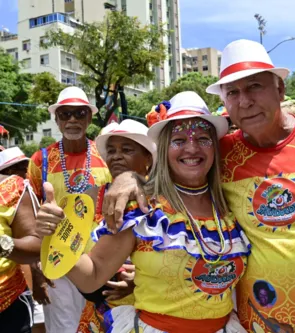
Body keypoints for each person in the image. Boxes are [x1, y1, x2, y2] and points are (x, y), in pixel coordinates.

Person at [102, 39, 295, 333]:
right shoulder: (220, 154)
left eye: (255, 86)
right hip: (259, 326)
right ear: (226, 102)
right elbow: (172, 180)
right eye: (233, 92)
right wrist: (130, 178)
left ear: (280, 89)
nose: (245, 101)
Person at [36, 91, 251, 333]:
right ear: (164, 150)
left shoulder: (232, 199)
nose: (191, 148)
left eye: (203, 139)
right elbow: (93, 275)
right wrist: (56, 234)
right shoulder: (142, 207)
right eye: (178, 140)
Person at [27, 86, 112, 333]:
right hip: (57, 261)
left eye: (79, 113)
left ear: (89, 117)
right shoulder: (40, 160)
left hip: (99, 261)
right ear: (56, 119)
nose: (72, 120)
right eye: (65, 114)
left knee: (102, 325)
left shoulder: (105, 154)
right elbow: (31, 220)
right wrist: (36, 272)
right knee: (64, 328)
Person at [75, 119, 156, 333]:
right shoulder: (90, 198)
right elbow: (75, 246)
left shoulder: (160, 198)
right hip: (99, 310)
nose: (116, 156)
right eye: (111, 150)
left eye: (126, 149)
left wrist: (139, 279)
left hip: (147, 313)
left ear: (148, 156)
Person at [0, 147, 47, 333]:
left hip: (7, 306)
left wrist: (2, 243)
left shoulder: (10, 189)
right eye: (20, 167)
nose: (26, 172)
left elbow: (37, 245)